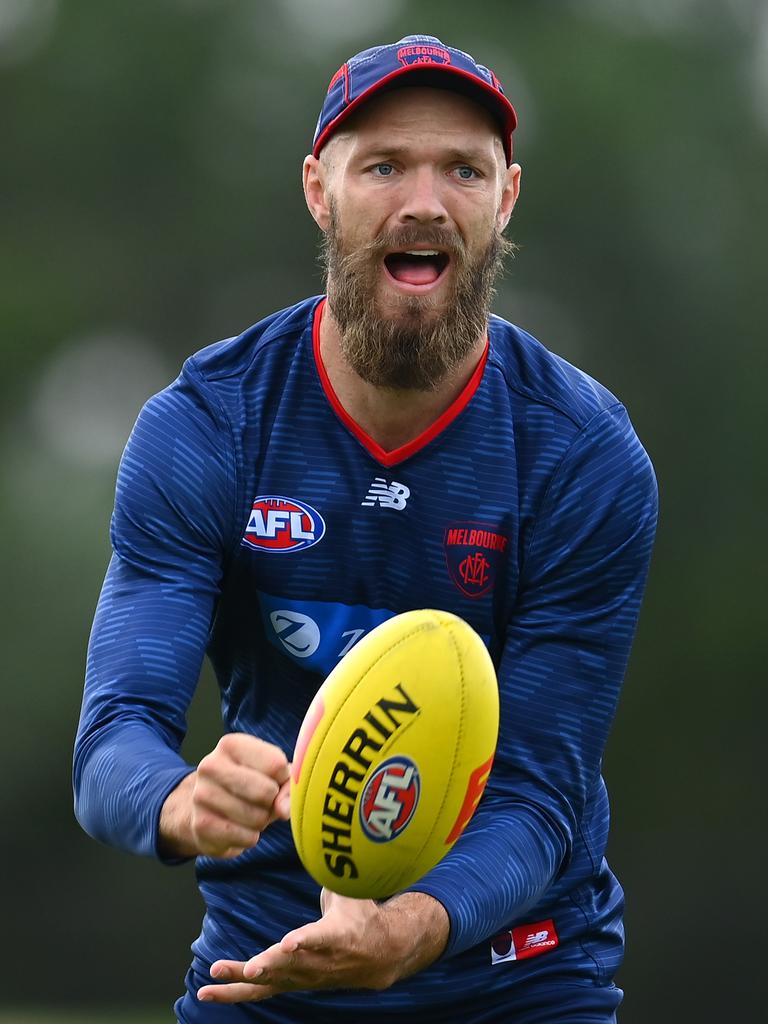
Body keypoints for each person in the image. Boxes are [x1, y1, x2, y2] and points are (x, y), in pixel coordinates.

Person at [74, 33, 658, 1023]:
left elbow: (536, 794)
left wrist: (414, 927)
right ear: (319, 188)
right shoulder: (211, 424)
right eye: (383, 165)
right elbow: (114, 740)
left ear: (505, 198)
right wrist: (178, 803)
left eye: (462, 169)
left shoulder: (581, 454)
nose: (423, 201)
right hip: (268, 966)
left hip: (520, 972)